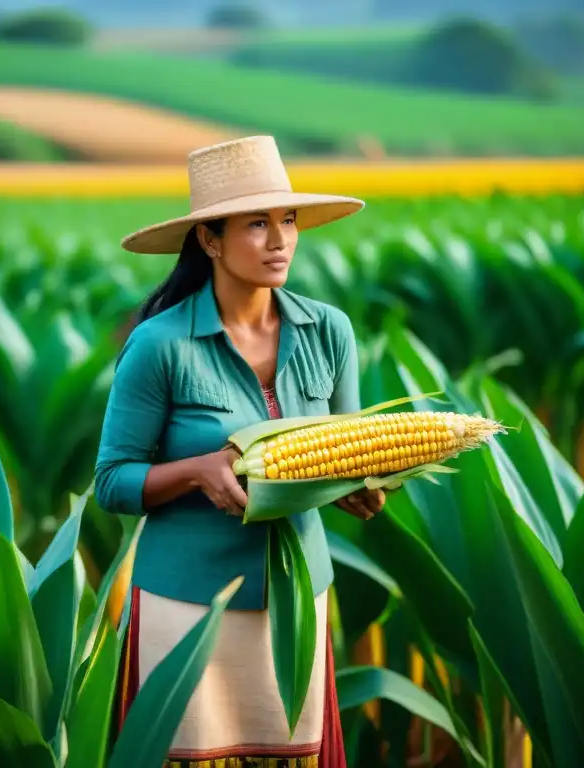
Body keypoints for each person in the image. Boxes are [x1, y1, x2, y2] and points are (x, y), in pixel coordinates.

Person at [95, 135, 386, 767]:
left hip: (297, 603)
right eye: (257, 223)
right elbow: (113, 481)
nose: (280, 239)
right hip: (187, 606)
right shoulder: (159, 344)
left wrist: (359, 490)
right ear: (209, 239)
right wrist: (197, 472)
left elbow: (345, 451)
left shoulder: (329, 331)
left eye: (287, 220)